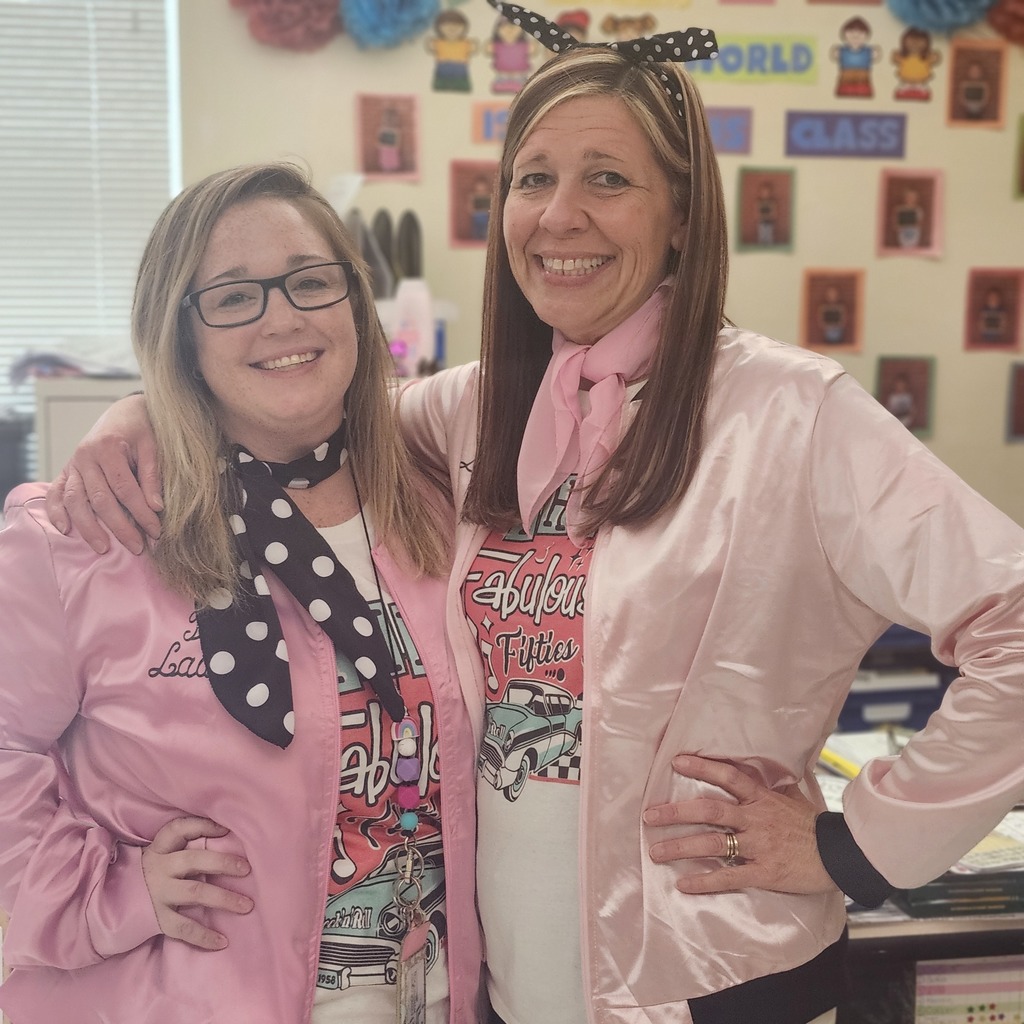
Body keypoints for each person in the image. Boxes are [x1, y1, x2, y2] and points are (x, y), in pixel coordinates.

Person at [43, 4, 1024, 1023]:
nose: (560, 216)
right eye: (532, 178)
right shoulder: (466, 414)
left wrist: (854, 842)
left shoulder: (788, 415)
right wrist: (145, 411)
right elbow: (293, 400)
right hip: (505, 990)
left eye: (608, 177)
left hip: (715, 983)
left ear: (682, 212)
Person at [0, 163, 482, 1024]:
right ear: (179, 332)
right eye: (232, 297)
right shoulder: (82, 532)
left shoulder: (436, 502)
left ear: (355, 304)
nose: (284, 317)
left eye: (311, 281)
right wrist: (103, 894)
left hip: (433, 997)